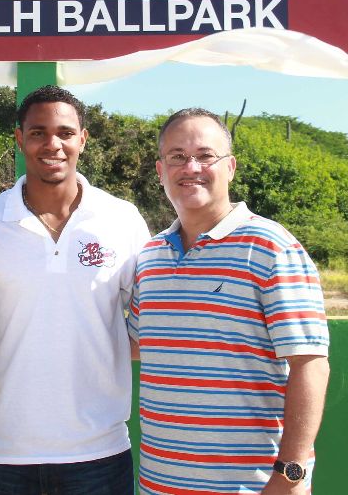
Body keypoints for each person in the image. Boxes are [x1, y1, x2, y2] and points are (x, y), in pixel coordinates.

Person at [0, 85, 152, 495]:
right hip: (1, 455)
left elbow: (150, 322)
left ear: (83, 138)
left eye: (64, 132)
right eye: (38, 132)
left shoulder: (121, 219)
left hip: (100, 453)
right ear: (20, 139)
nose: (52, 144)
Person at [129, 108, 331, 495]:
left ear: (231, 167)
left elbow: (310, 364)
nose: (191, 167)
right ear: (160, 170)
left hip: (253, 487)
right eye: (177, 156)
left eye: (206, 156)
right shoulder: (150, 256)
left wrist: (289, 474)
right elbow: (139, 347)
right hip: (159, 483)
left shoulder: (272, 248)